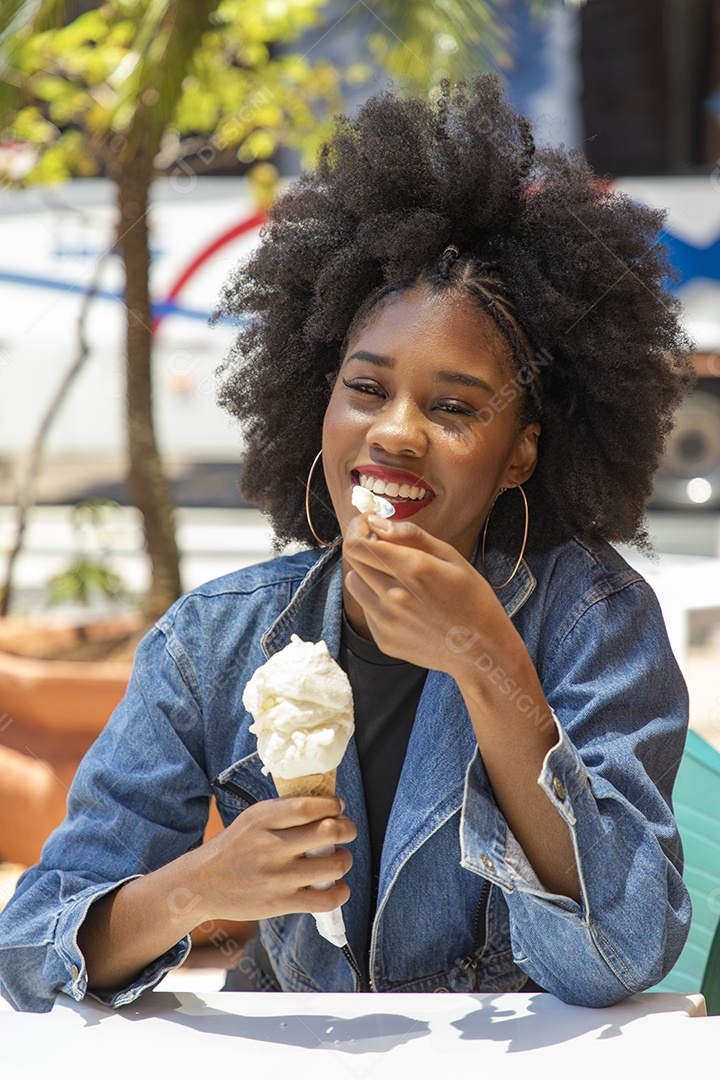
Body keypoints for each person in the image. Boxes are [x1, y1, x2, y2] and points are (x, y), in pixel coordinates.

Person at [0, 76, 694, 1012]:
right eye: (366, 390)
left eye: (453, 408)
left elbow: (619, 953)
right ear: (316, 400)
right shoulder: (215, 643)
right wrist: (200, 887)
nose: (396, 433)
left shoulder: (594, 624)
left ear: (523, 448)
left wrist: (490, 665)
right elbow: (31, 950)